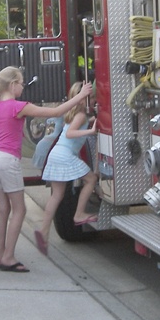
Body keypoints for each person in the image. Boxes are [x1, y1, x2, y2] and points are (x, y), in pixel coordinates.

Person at [0, 66, 92, 272]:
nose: (23, 87)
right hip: (7, 160)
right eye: (22, 83)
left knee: (2, 209)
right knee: (19, 209)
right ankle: (8, 257)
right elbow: (57, 112)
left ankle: (0, 255)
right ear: (13, 84)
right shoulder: (19, 106)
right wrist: (81, 96)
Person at [34, 81, 98, 256]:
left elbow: (77, 125)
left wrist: (94, 121)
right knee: (91, 179)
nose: (93, 102)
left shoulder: (75, 114)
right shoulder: (81, 116)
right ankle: (79, 214)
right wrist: (90, 132)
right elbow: (71, 133)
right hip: (65, 155)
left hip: (56, 155)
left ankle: (43, 232)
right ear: (82, 100)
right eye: (92, 99)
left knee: (57, 196)